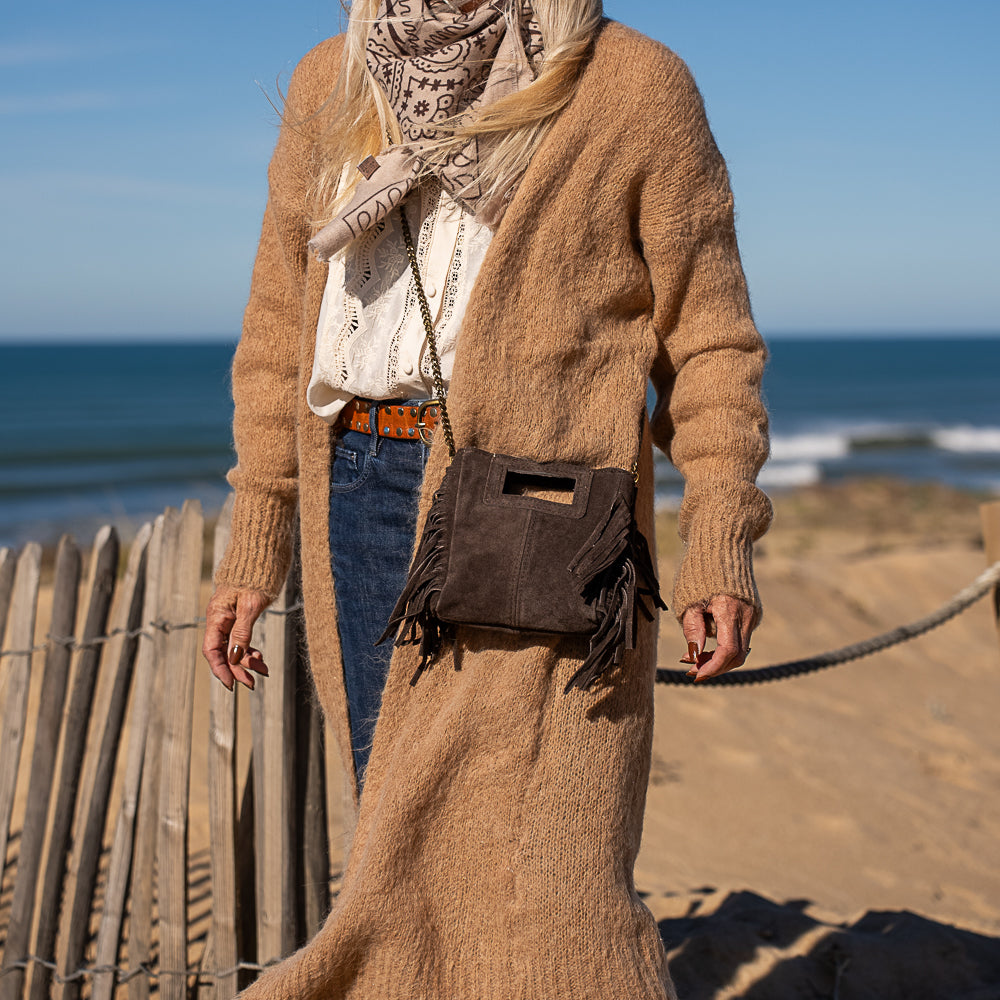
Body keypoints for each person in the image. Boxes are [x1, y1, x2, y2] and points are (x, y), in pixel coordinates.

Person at [202, 0, 771, 996]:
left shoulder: (633, 83)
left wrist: (719, 534)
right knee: (397, 833)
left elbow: (709, 342)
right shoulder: (329, 78)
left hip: (550, 512)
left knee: (554, 860)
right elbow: (276, 325)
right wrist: (258, 539)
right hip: (365, 486)